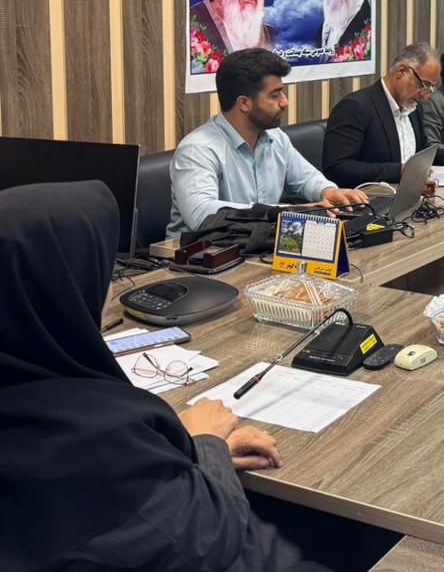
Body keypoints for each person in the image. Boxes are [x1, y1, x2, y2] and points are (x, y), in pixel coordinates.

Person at [0, 180, 322, 570]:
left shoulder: (33, 396)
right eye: (104, 271)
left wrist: (184, 447)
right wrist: (206, 442)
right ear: (62, 291)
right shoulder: (84, 447)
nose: (110, 289)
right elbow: (208, 538)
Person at [169, 49, 368, 236]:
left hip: (257, 244)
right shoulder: (198, 149)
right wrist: (283, 212)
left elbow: (306, 179)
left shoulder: (276, 137)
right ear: (244, 103)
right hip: (199, 254)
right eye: (275, 94)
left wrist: (328, 191)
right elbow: (201, 214)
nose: (285, 102)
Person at [322, 42, 444, 186]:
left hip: (412, 196)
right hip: (372, 201)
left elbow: (424, 152)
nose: (425, 95)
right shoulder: (356, 107)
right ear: (401, 71)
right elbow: (337, 167)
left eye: (431, 88)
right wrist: (399, 171)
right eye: (424, 85)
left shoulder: (414, 107)